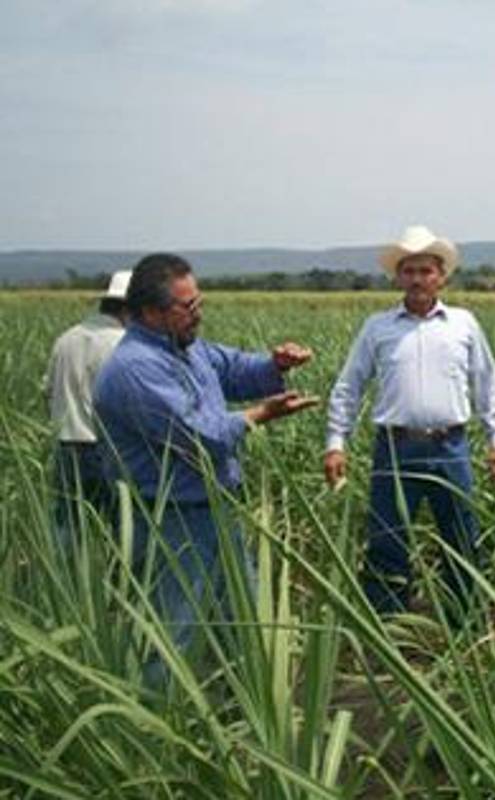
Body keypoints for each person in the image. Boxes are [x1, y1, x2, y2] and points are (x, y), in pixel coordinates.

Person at [93, 253, 318, 683]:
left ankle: (249, 717)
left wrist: (276, 366)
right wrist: (259, 416)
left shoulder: (188, 348)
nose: (199, 314)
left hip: (216, 511)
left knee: (246, 622)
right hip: (171, 521)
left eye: (199, 302)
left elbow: (233, 369)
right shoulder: (134, 369)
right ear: (152, 312)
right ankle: (160, 729)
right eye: (189, 307)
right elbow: (203, 436)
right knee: (173, 634)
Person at [324, 225, 495, 619]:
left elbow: (486, 383)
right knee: (387, 539)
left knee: (461, 538)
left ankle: (463, 625)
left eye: (426, 271)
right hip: (395, 448)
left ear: (441, 276)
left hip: (450, 448)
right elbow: (349, 385)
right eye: (409, 271)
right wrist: (336, 442)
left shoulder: (463, 324)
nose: (418, 279)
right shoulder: (378, 327)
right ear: (398, 276)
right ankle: (388, 628)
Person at [44, 271, 131, 541]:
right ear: (129, 308)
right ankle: (117, 583)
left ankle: (64, 581)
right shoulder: (123, 344)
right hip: (109, 451)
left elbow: (47, 391)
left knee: (68, 532)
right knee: (122, 535)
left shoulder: (66, 339)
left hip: (66, 449)